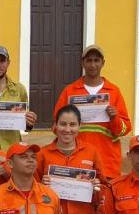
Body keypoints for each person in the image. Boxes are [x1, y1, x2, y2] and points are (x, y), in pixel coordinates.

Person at [53, 45, 131, 180]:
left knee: (105, 200)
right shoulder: (70, 91)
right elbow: (56, 126)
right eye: (89, 60)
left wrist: (115, 118)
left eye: (96, 60)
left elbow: (125, 129)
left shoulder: (114, 91)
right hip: (77, 159)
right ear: (82, 63)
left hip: (107, 161)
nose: (93, 64)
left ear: (103, 63)